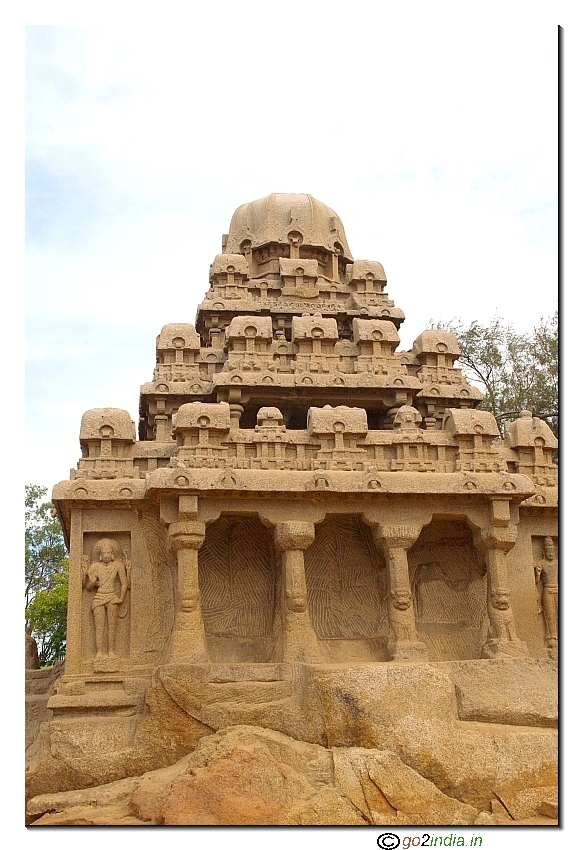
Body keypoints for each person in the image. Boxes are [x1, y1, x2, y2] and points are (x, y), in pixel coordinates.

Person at [84, 538, 128, 660]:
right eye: (104, 553)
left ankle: (111, 651)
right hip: (98, 598)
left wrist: (121, 598)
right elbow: (88, 587)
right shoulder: (94, 566)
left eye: (109, 553)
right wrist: (92, 583)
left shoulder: (118, 565)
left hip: (112, 596)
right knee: (99, 627)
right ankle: (99, 652)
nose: (107, 555)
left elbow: (124, 584)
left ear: (112, 554)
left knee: (112, 626)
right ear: (100, 555)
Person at [535, 537, 558, 651]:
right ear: (544, 552)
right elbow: (536, 582)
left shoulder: (558, 563)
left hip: (558, 590)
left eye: (552, 551)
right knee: (550, 615)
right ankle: (551, 638)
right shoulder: (541, 563)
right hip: (547, 590)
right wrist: (538, 574)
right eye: (548, 552)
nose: (551, 554)